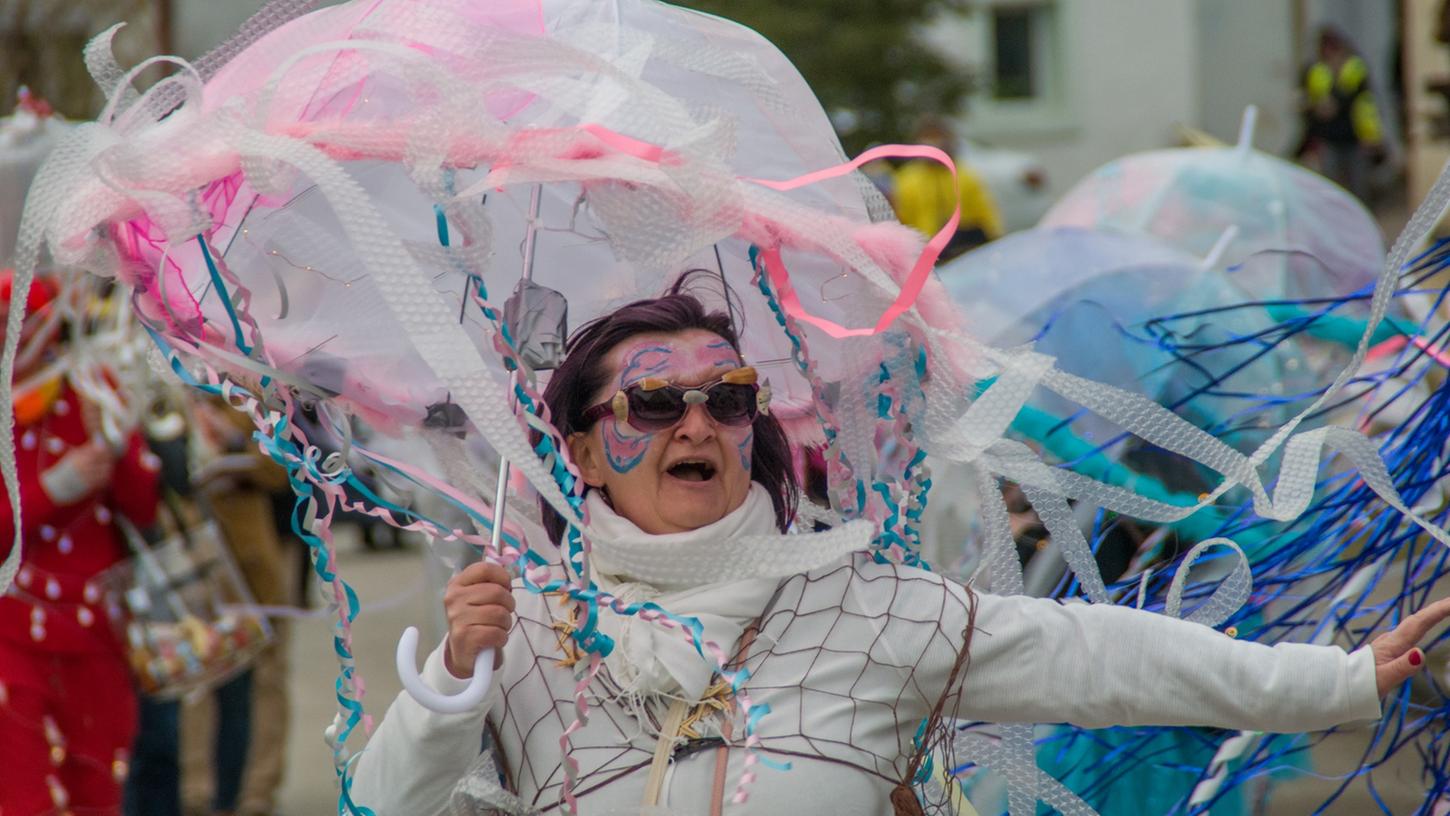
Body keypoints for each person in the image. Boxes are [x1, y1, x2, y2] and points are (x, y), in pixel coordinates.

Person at [350, 276, 1450, 815]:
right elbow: (387, 805)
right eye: (652, 403)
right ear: (584, 454)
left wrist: (1337, 679)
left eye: (727, 399)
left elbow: (1102, 657)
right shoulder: (526, 629)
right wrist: (451, 684)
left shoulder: (872, 608)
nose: (696, 425)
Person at [0, 271, 162, 815]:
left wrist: (116, 444)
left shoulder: (92, 389)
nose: (13, 338)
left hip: (94, 630)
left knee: (98, 784)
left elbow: (143, 510)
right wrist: (51, 489)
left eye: (20, 324)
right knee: (24, 797)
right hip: (12, 634)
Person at [892, 115, 1004, 259]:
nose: (933, 143)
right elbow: (899, 221)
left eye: (937, 137)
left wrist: (994, 243)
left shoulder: (965, 176)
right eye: (928, 137)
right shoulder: (906, 179)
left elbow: (986, 217)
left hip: (961, 254)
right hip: (922, 255)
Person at [1299, 26, 1385, 202]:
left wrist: (1371, 136)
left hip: (1354, 136)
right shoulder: (1315, 70)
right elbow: (1307, 103)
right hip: (1329, 137)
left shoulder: (1354, 68)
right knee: (1330, 186)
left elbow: (1365, 104)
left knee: (1359, 186)